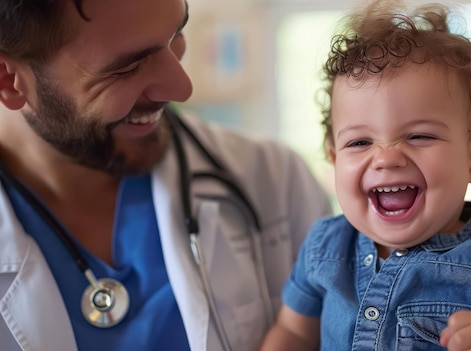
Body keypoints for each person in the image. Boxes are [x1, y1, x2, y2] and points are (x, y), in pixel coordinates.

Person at [259, 1, 471, 350]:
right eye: (359, 142)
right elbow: (293, 332)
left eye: (419, 136)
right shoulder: (325, 248)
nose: (386, 158)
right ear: (334, 157)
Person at [0, 0, 332, 350]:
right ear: (9, 81)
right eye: (126, 68)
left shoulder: (273, 179)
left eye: (177, 34)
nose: (181, 88)